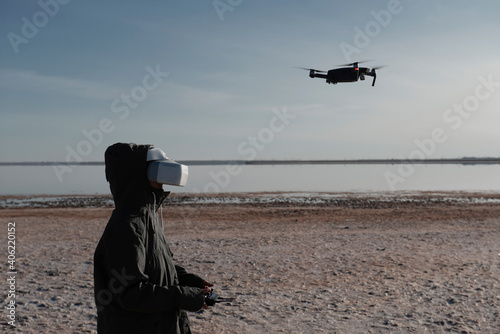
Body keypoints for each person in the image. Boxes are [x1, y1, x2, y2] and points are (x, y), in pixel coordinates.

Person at [94, 142, 213, 334]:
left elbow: (155, 265)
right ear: (138, 174)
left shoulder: (147, 216)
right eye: (157, 167)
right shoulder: (127, 226)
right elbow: (131, 293)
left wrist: (191, 282)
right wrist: (185, 297)